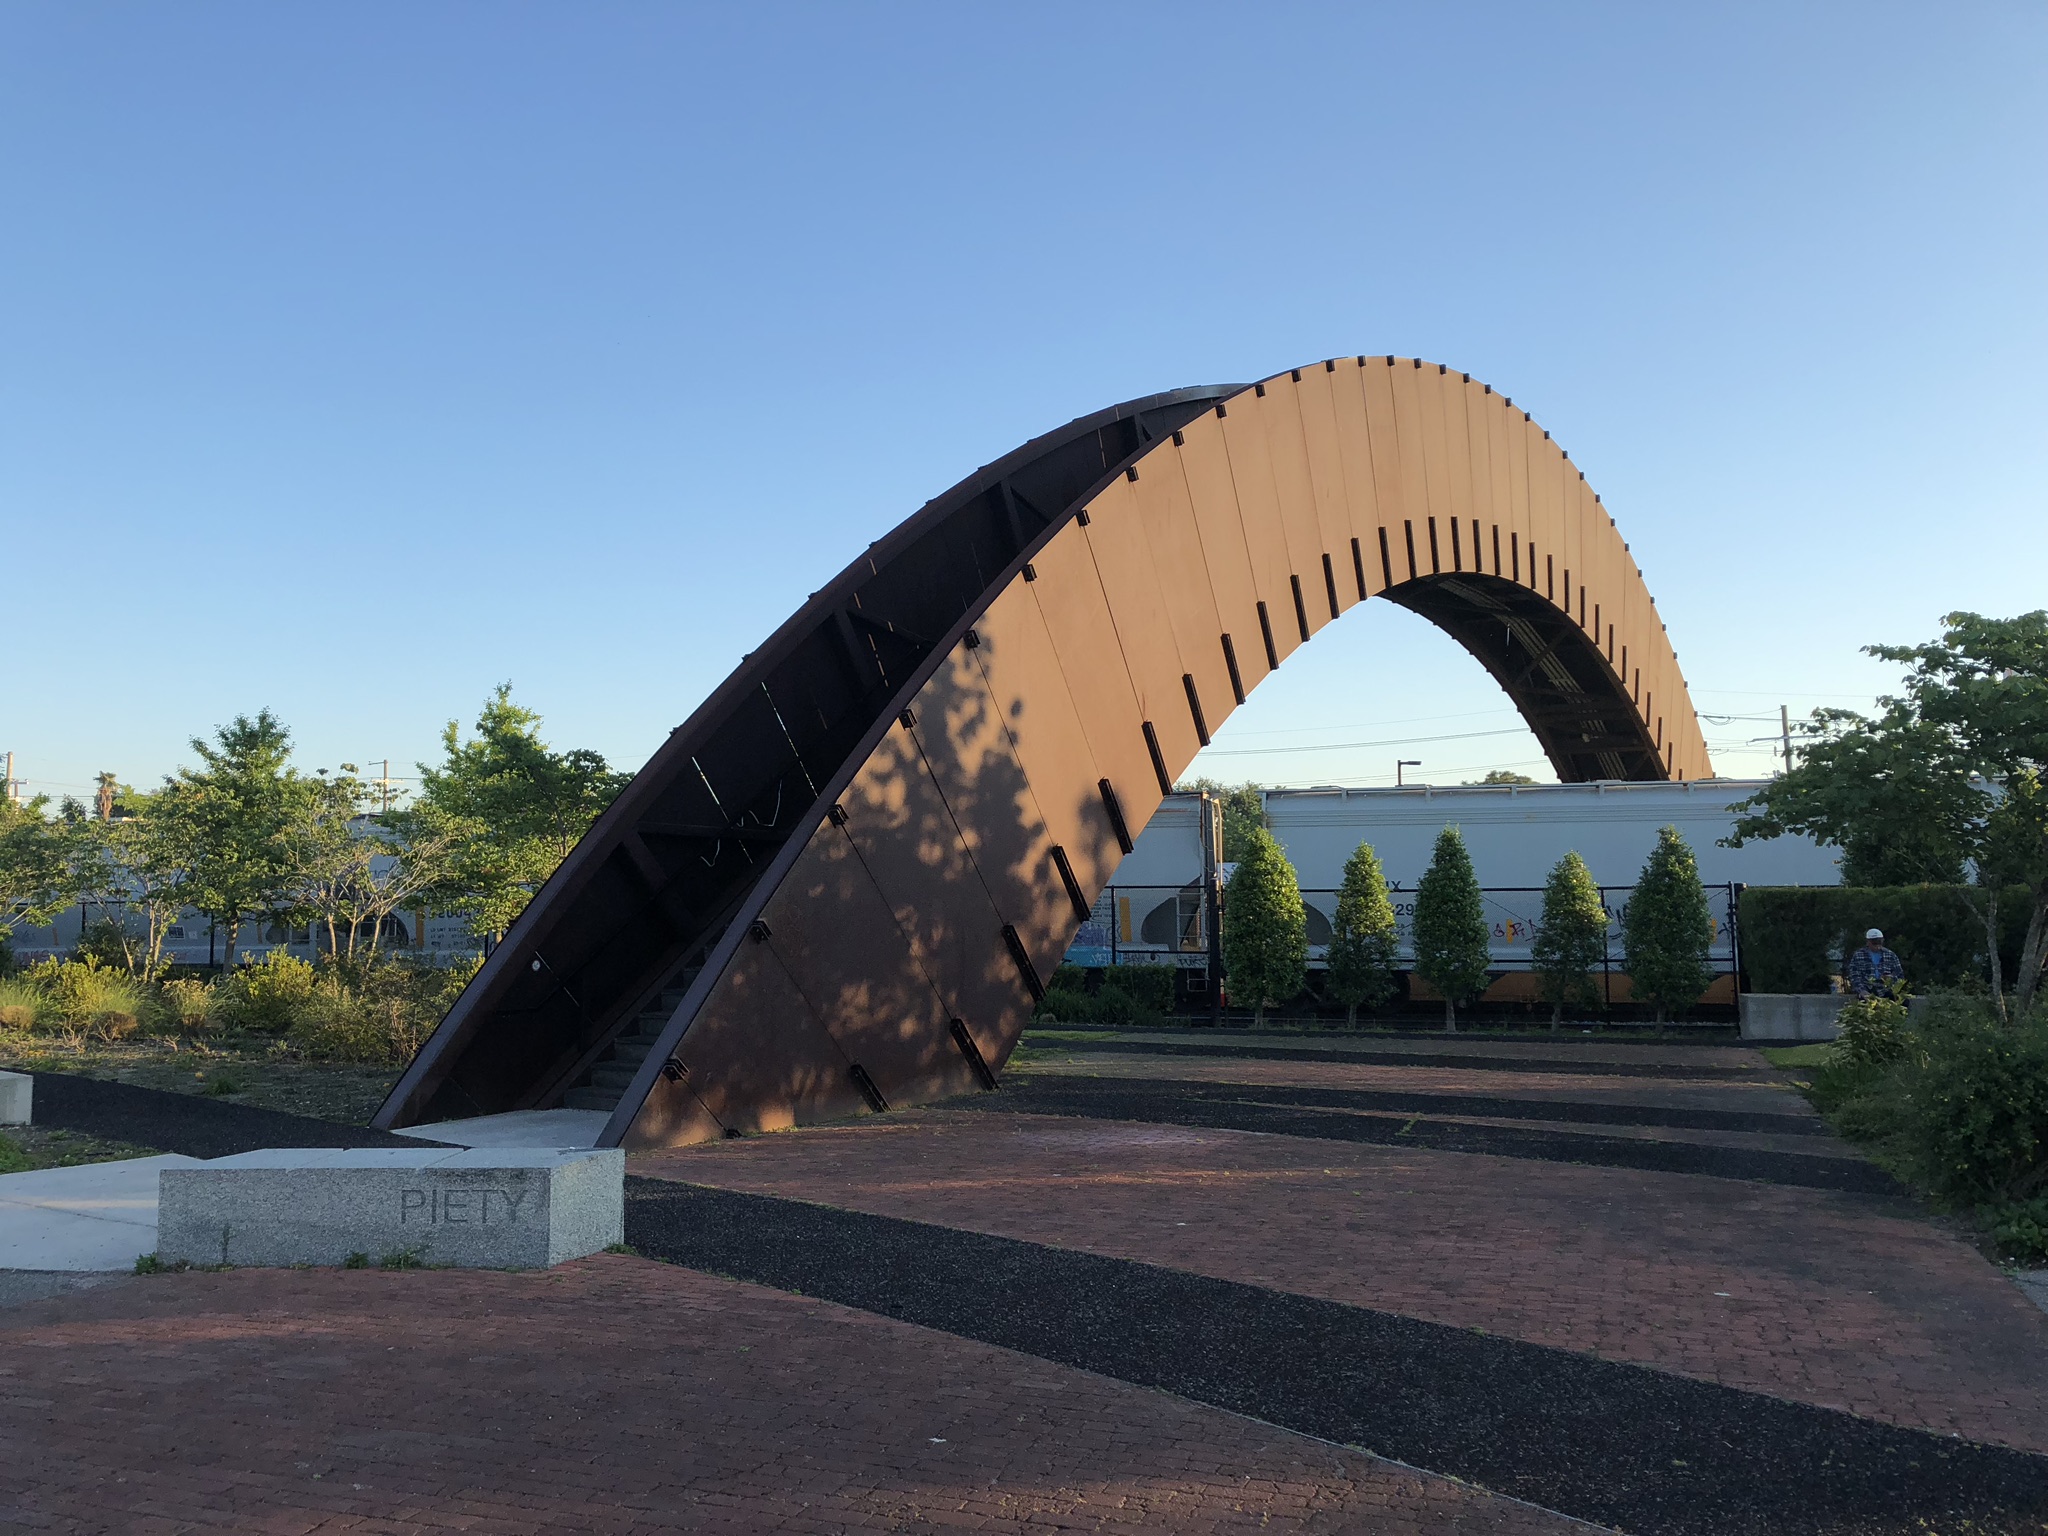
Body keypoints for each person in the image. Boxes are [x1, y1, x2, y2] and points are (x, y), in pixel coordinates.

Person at [1848, 927, 1905, 998]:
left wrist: (1891, 978)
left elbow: (1900, 975)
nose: (1877, 946)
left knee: (1903, 1002)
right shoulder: (1858, 955)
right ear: (1868, 942)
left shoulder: (1891, 955)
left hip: (1886, 990)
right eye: (1874, 943)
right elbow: (1854, 976)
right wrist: (1861, 990)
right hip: (1867, 989)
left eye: (1879, 942)